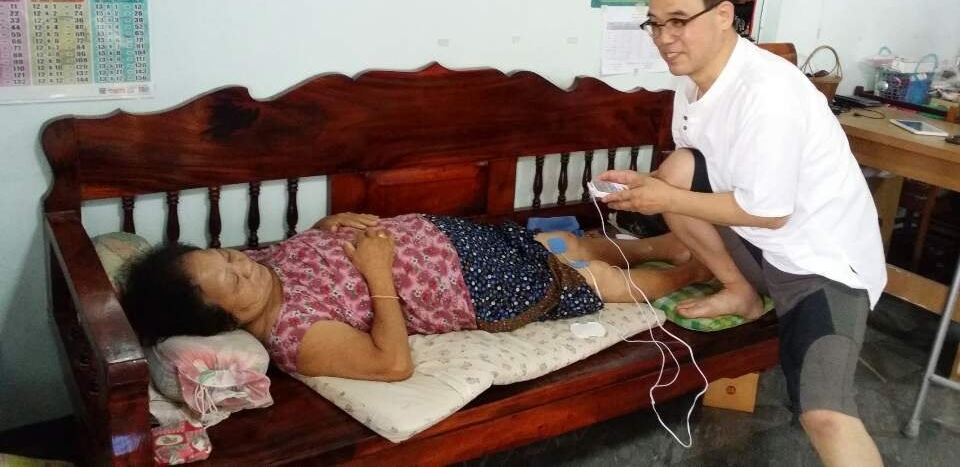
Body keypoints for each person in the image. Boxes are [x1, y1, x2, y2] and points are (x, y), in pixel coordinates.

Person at [597, 0, 885, 467]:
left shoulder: (767, 93)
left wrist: (664, 198)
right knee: (678, 167)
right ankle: (741, 292)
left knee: (824, 414)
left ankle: (734, 283)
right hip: (758, 248)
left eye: (679, 21)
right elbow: (700, 178)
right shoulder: (694, 84)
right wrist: (658, 190)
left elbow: (771, 213)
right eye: (655, 23)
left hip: (819, 264)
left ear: (724, 15)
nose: (664, 37)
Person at [121, 212, 711, 382]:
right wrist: (378, 272)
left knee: (562, 241)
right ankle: (696, 269)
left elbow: (307, 255)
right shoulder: (295, 335)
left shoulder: (259, 263)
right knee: (591, 277)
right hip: (475, 286)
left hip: (454, 238)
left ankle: (658, 242)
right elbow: (393, 364)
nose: (242, 263)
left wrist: (327, 227)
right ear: (221, 316)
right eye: (232, 278)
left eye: (226, 254)